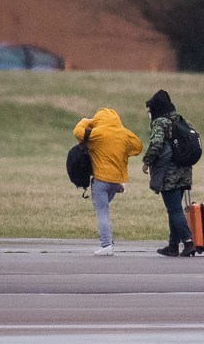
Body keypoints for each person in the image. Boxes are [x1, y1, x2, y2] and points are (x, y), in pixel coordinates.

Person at [72, 108, 143, 256]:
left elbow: (78, 132)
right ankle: (117, 188)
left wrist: (87, 121)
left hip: (101, 180)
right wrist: (121, 129)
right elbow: (138, 146)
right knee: (102, 207)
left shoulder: (97, 134)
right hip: (117, 179)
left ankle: (106, 245)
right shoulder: (123, 134)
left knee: (101, 212)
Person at [141, 89, 196, 257]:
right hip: (184, 171)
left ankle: (188, 242)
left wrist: (146, 161)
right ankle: (173, 246)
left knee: (174, 210)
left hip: (169, 173)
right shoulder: (181, 120)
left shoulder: (161, 122)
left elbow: (156, 144)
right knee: (175, 209)